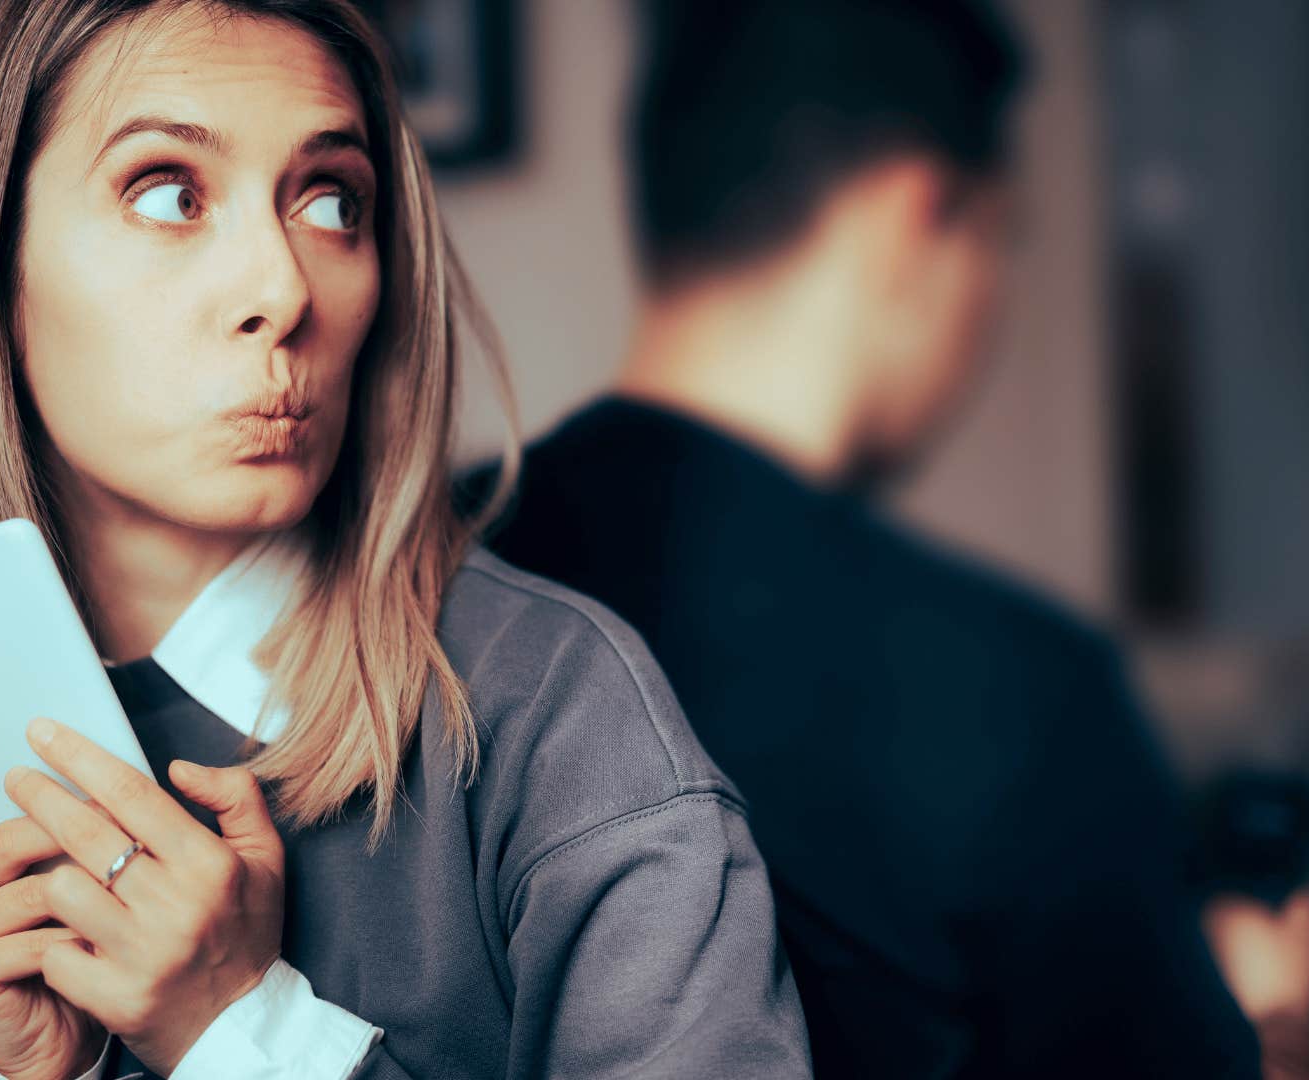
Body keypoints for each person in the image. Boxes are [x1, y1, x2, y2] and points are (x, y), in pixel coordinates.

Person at [0, 2, 811, 1078]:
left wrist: (236, 1035)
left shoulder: (557, 720)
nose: (283, 290)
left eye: (332, 203)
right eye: (169, 192)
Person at [479, 1, 1265, 1076]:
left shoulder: (409, 556)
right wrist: (1273, 1033)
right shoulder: (1020, 696)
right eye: (1001, 238)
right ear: (916, 217)